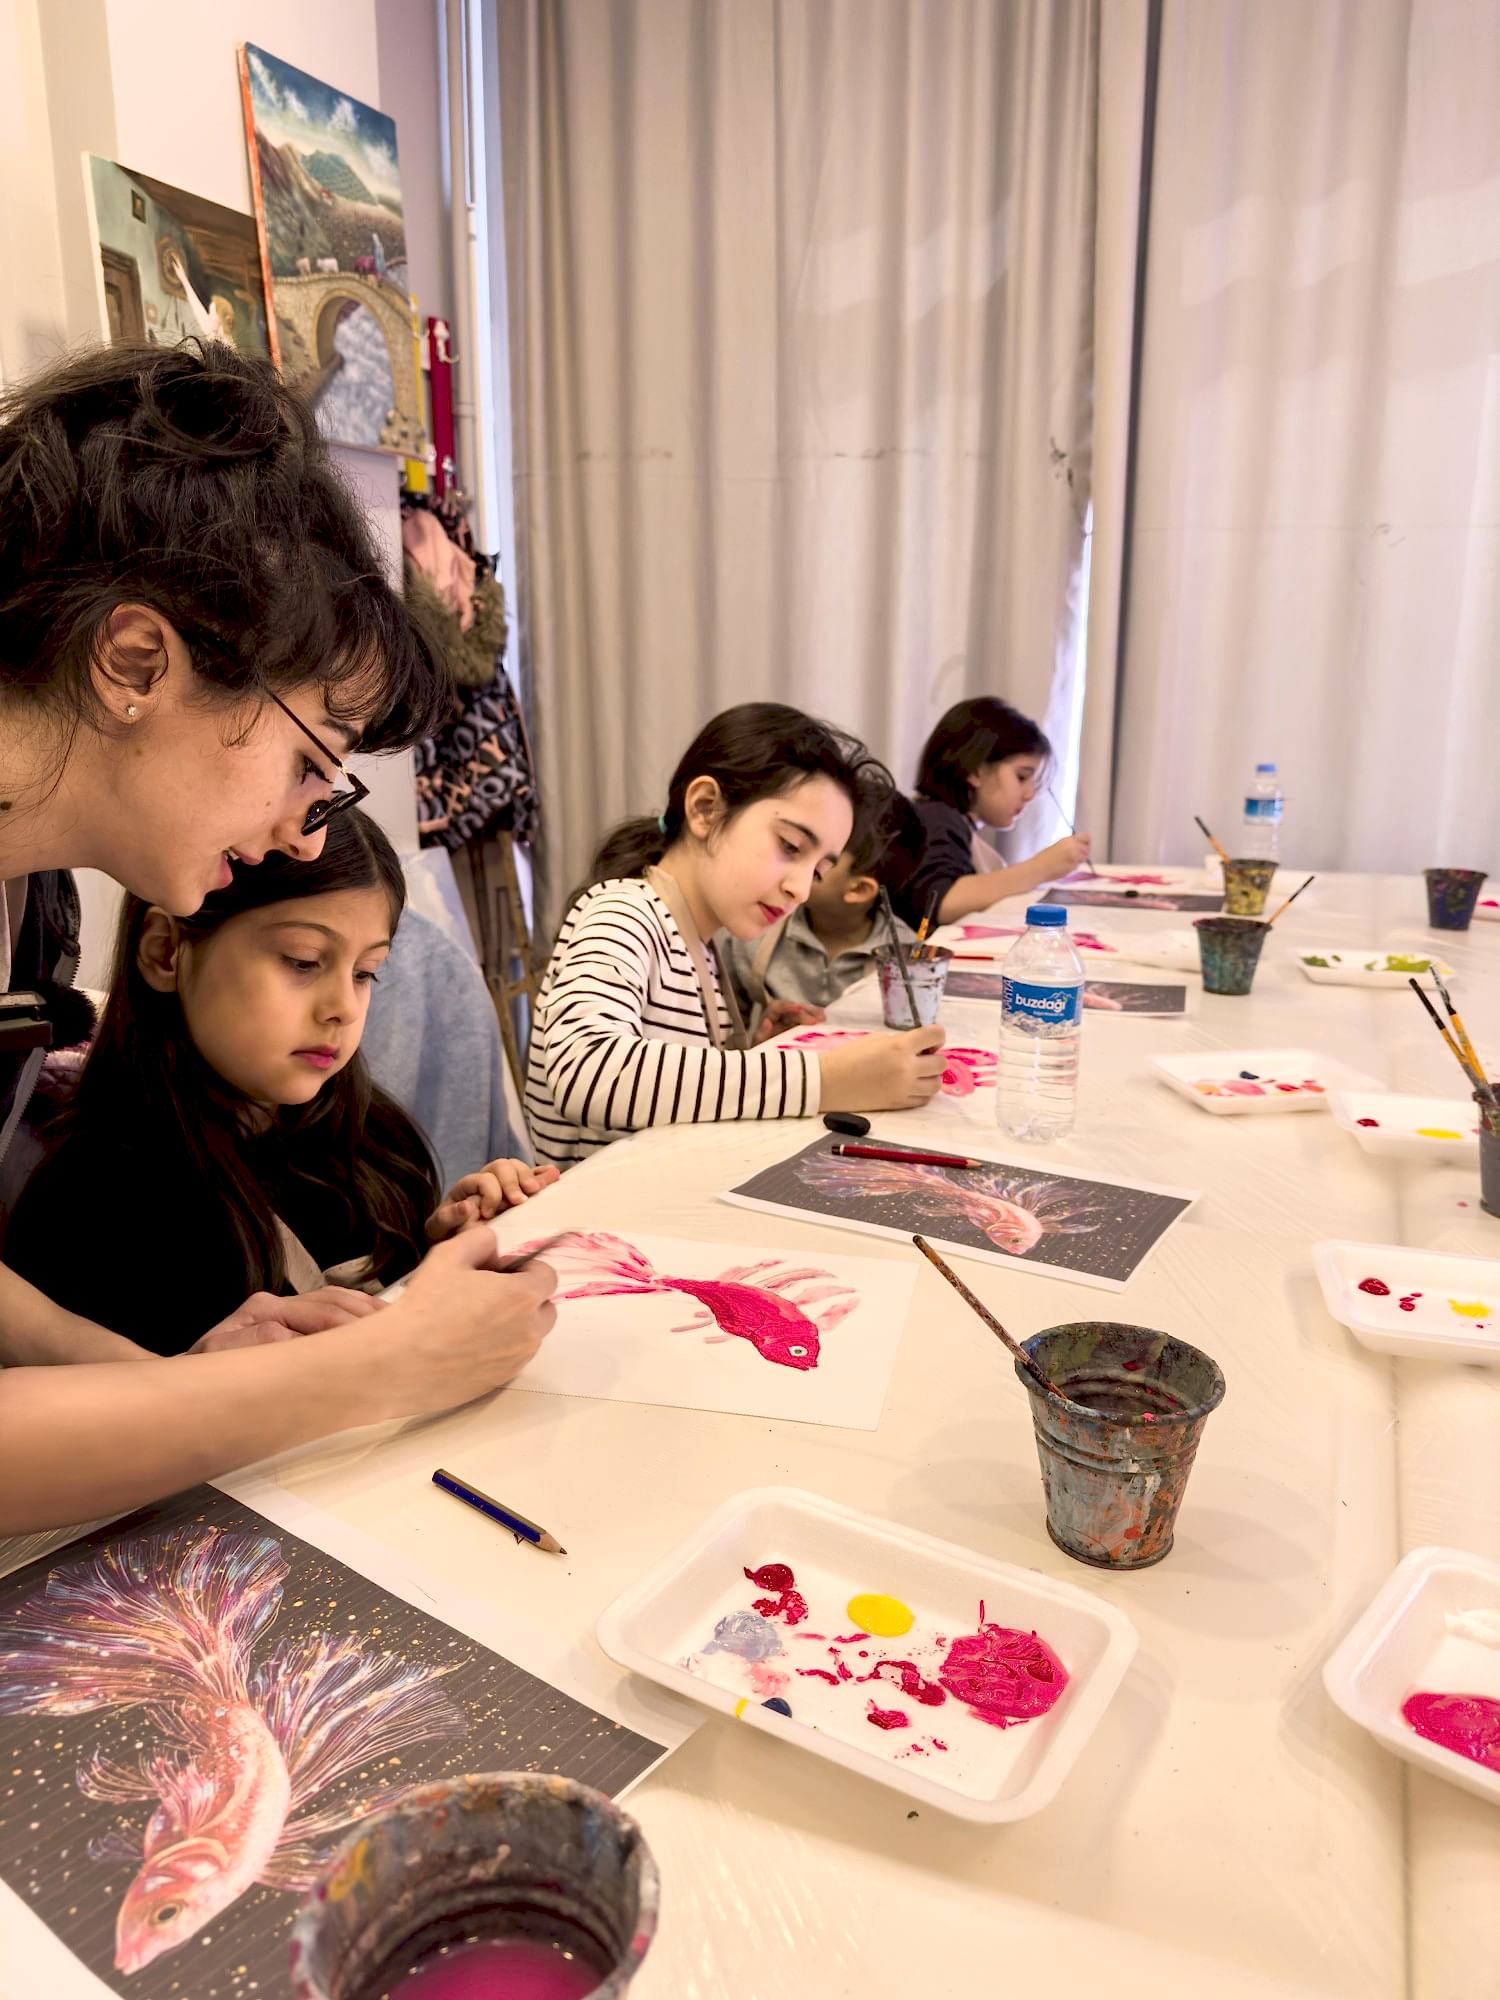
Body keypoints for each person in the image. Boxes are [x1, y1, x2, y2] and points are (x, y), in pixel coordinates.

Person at [0, 339, 555, 1535]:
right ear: (135, 662)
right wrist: (365, 1369)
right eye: (311, 762)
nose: (306, 834)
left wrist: (173, 1385)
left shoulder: (29, 900)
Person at [6, 811, 556, 1351]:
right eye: (302, 961)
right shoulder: (97, 1207)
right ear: (166, 952)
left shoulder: (374, 1140)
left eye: (365, 973)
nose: (343, 1007)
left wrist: (445, 1249)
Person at [524, 704, 946, 1170]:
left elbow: (673, 1090)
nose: (801, 889)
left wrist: (752, 1049)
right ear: (706, 809)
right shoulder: (624, 911)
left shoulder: (700, 942)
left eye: (818, 871)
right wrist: (823, 1079)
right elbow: (586, 1074)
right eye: (790, 846)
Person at [721, 789, 928, 1034]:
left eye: (824, 860)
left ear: (859, 889)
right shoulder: (754, 932)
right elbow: (723, 1041)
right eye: (794, 846)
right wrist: (757, 1042)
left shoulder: (906, 961)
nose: (787, 864)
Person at [895, 697, 1091, 926]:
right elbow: (941, 902)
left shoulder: (948, 820)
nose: (1030, 794)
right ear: (976, 771)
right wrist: (1041, 868)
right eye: (1021, 777)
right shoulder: (936, 818)